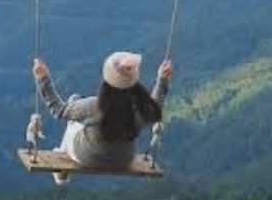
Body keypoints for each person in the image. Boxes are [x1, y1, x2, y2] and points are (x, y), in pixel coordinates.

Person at [31, 51, 172, 183]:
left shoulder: (93, 106)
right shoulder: (139, 110)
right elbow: (156, 106)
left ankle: (61, 170)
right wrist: (162, 80)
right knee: (78, 111)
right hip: (123, 161)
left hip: (88, 157)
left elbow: (59, 110)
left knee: (73, 104)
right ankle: (62, 160)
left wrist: (43, 78)